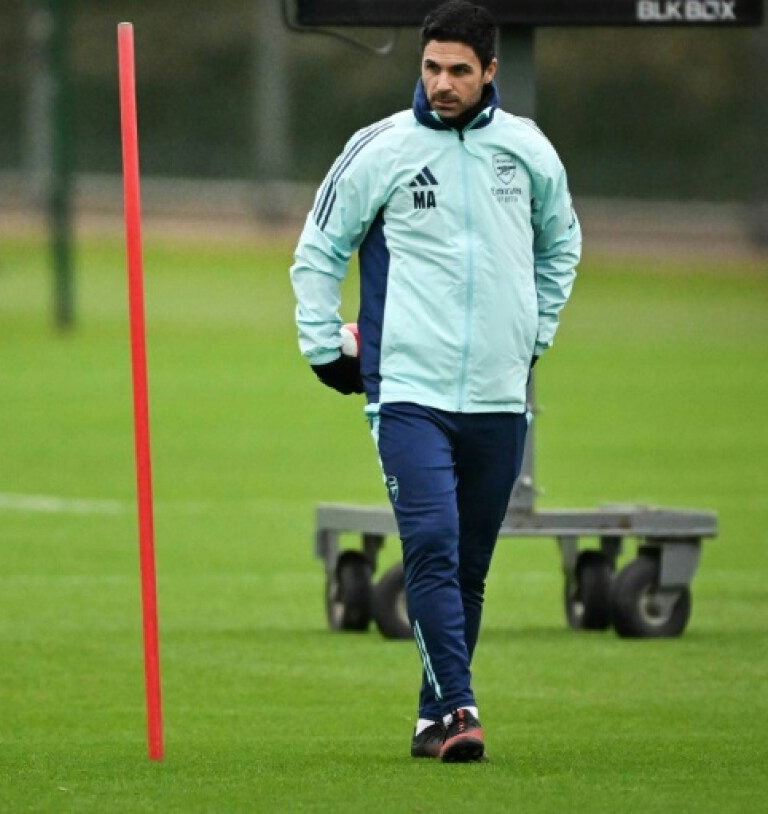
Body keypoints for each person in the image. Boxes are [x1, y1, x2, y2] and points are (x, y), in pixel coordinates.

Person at [289, 0, 580, 762]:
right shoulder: (381, 147)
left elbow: (562, 246)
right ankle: (460, 709)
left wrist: (534, 336)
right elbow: (319, 249)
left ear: (490, 71)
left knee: (470, 569)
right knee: (432, 546)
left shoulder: (528, 150)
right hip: (408, 393)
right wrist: (322, 348)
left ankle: (430, 721)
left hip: (499, 396)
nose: (442, 83)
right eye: (431, 67)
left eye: (458, 70)